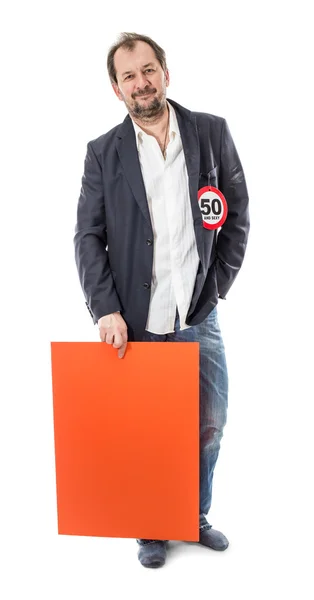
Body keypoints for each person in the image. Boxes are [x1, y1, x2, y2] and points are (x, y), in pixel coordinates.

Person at [74, 32, 250, 568]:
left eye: (148, 69)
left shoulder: (211, 133)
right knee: (147, 432)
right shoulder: (103, 153)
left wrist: (214, 287)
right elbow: (87, 236)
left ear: (165, 73)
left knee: (210, 422)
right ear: (116, 88)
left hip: (199, 314)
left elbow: (238, 213)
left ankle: (192, 516)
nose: (141, 82)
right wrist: (105, 308)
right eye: (129, 75)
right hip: (136, 318)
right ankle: (153, 524)